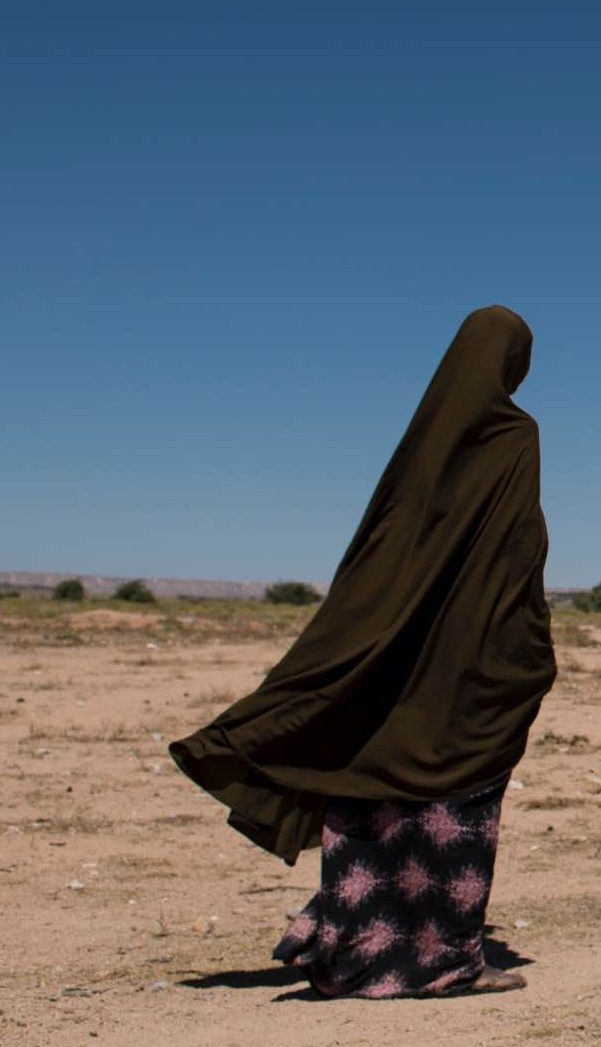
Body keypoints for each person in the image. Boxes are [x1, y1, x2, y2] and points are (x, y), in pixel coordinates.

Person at [170, 305, 556, 999]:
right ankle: (441, 960)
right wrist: (525, 645)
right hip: (467, 669)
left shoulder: (421, 444)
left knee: (370, 780)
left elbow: (376, 559)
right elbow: (516, 556)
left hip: (392, 670)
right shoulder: (514, 437)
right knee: (454, 806)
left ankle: (354, 950)